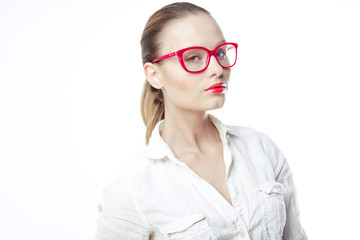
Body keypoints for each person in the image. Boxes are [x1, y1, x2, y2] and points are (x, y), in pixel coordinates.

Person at [94, 2, 307, 239]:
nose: (217, 68)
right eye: (194, 57)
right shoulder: (131, 191)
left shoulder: (261, 149)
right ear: (154, 75)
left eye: (220, 52)